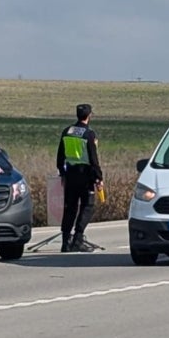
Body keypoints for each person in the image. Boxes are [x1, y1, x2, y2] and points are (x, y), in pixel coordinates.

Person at [56, 103, 104, 252]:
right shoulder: (89, 134)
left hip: (70, 174)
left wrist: (62, 173)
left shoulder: (67, 131)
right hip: (85, 175)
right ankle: (78, 239)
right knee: (87, 207)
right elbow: (93, 158)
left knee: (69, 208)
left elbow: (60, 156)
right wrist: (99, 178)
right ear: (89, 116)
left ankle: (65, 242)